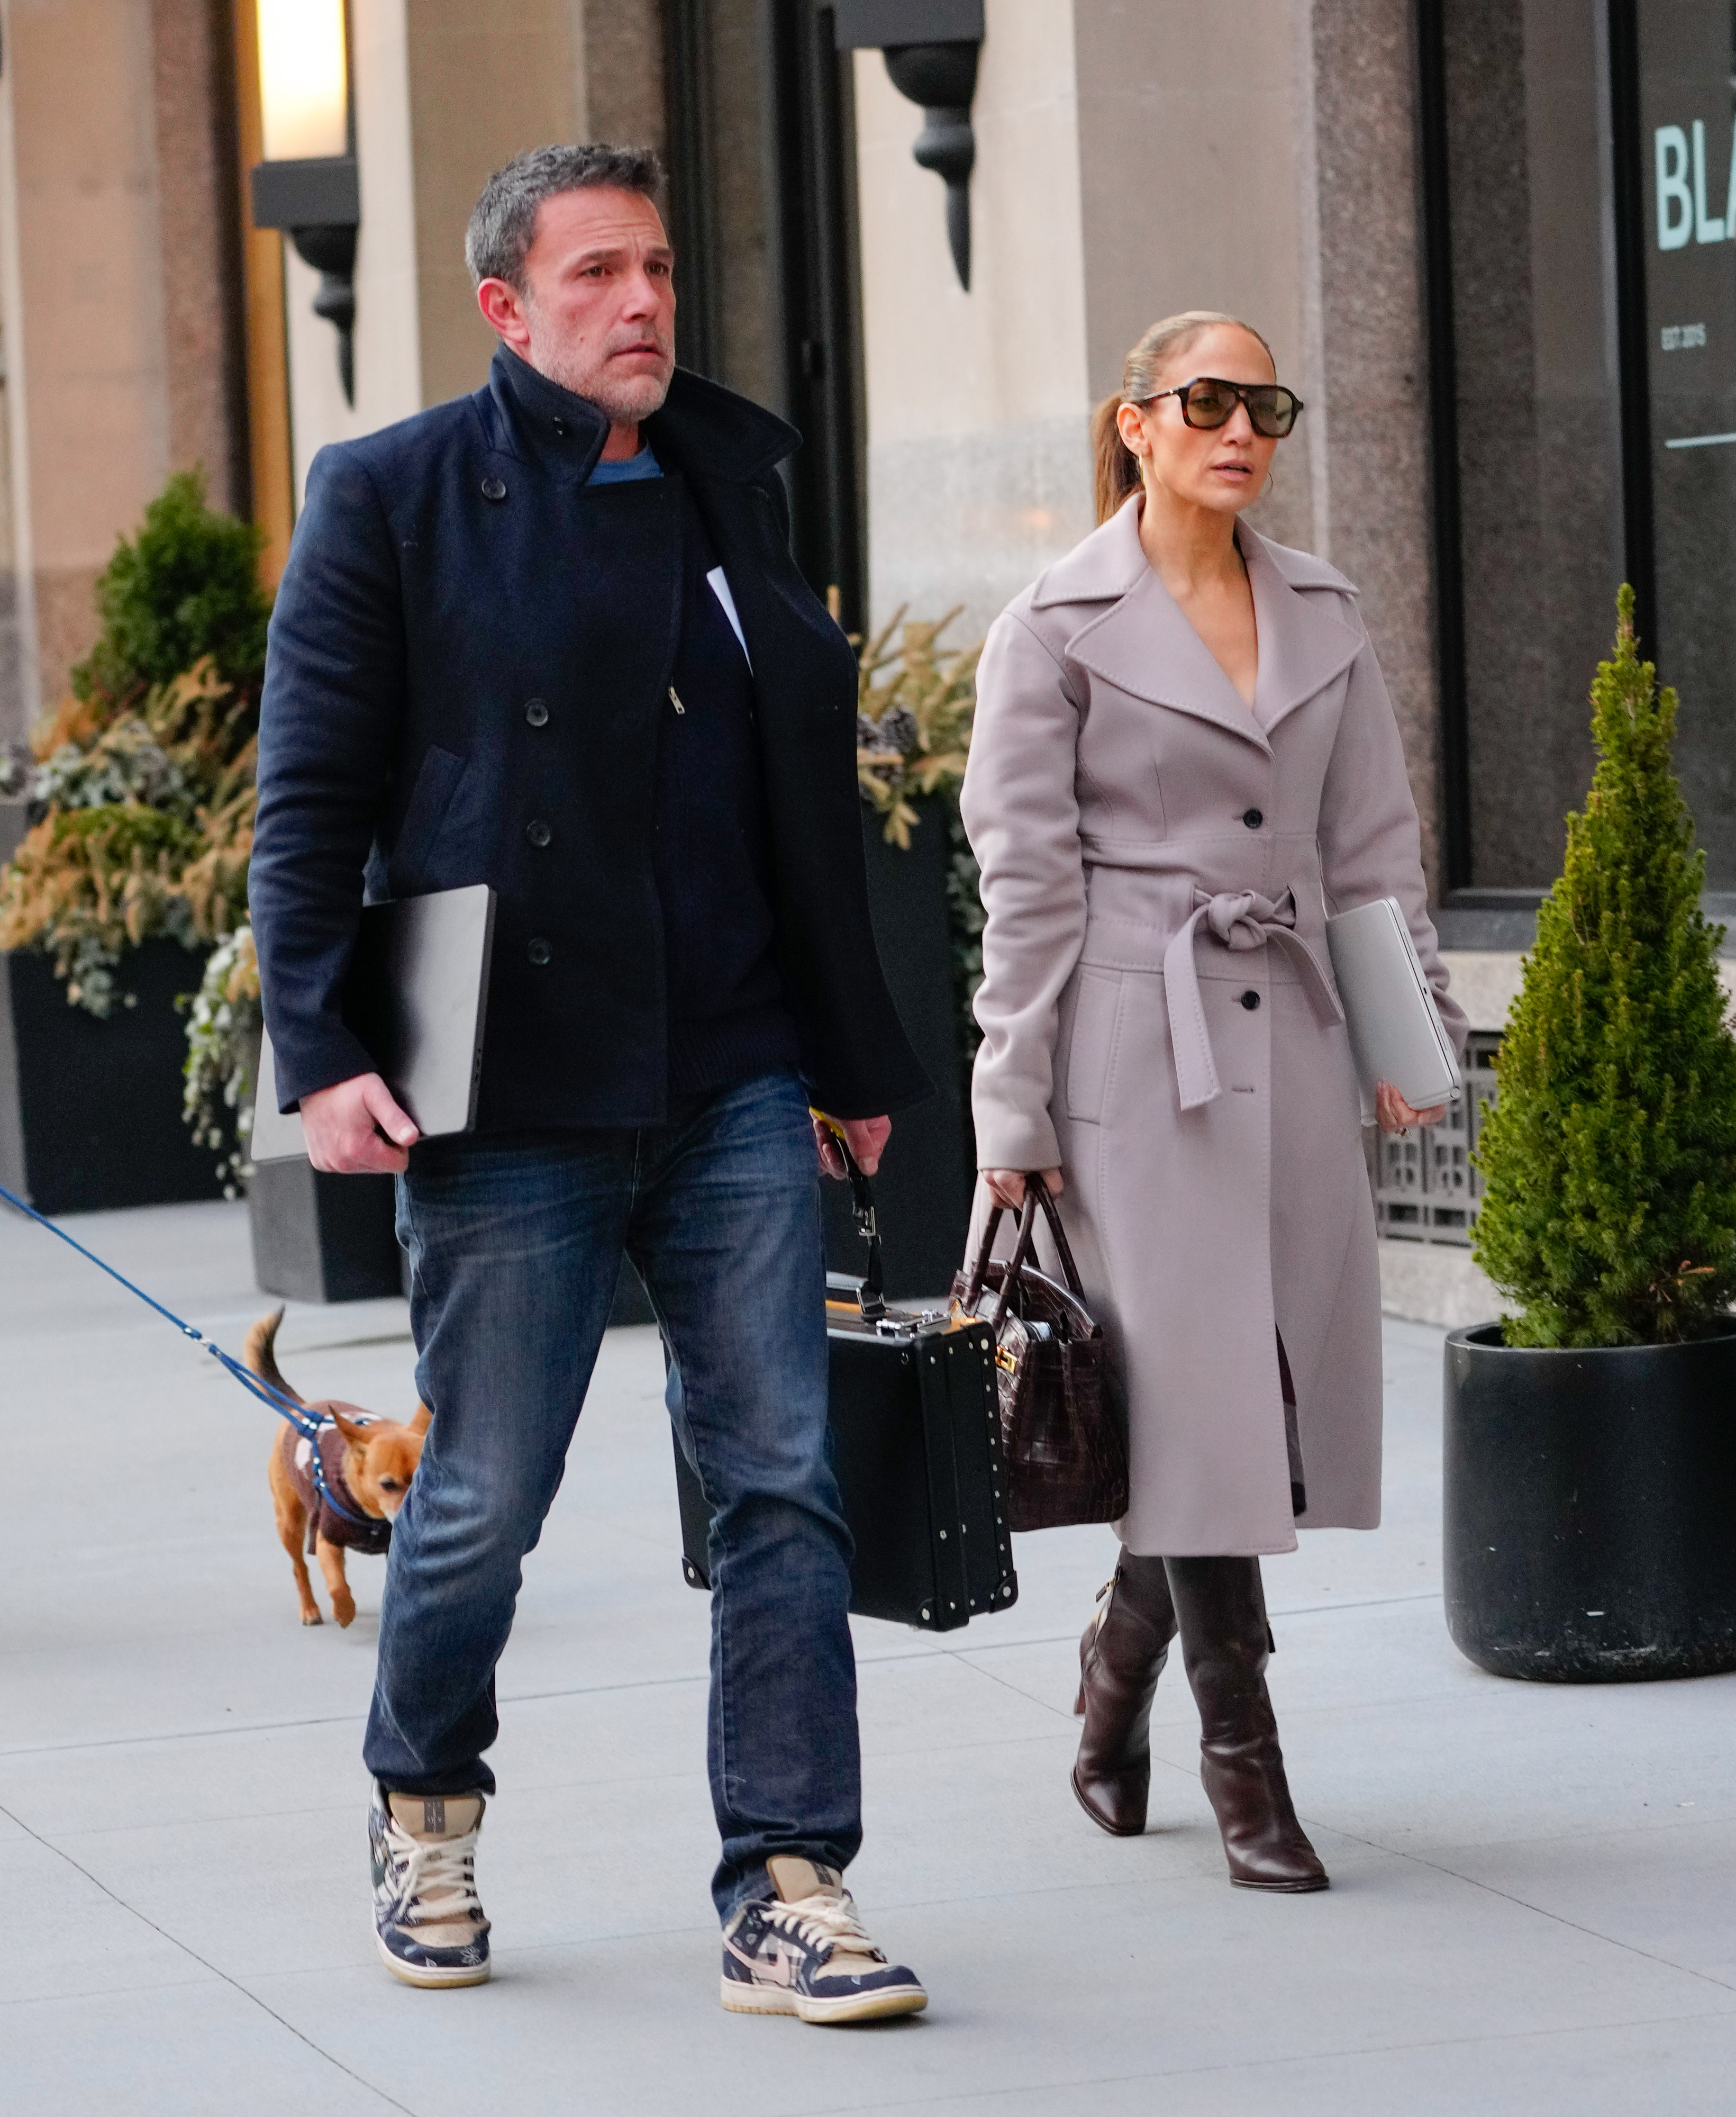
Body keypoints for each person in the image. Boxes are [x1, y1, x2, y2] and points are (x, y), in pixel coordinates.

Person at [250, 142, 932, 2020]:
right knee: (480, 1494)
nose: (641, 305)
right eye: (596, 278)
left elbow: (798, 805)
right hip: (510, 1076)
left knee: (778, 1482)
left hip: (727, 1069)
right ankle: (423, 1806)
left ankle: (788, 1882)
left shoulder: (730, 482)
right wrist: (323, 1052)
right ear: (504, 310)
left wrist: (851, 1054)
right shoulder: (390, 497)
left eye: (656, 268)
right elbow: (306, 800)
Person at [960, 310, 1466, 1893]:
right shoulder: (1051, 626)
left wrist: (1410, 1041)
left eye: (1266, 404)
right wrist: (1011, 1106)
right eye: (1205, 400)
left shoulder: (1324, 607)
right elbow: (1025, 890)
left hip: (1298, 1046)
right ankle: (1245, 1768)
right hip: (1131, 1060)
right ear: (1134, 421)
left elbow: (1373, 847)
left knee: (1247, 1411)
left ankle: (1113, 1679)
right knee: (1193, 1409)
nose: (1238, 427)